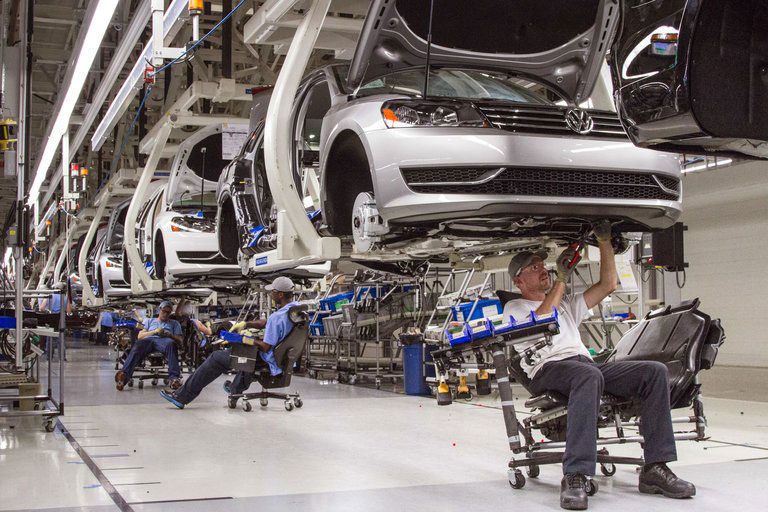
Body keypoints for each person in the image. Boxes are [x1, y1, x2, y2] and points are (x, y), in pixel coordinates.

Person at [504, 220, 695, 511]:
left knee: (654, 372)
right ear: (518, 281)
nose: (542, 269)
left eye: (543, 265)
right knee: (587, 375)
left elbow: (608, 285)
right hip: (549, 370)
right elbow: (543, 319)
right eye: (533, 267)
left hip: (585, 366)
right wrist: (561, 280)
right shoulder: (514, 308)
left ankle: (655, 468)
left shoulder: (565, 303)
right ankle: (575, 475)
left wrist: (604, 242)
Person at [160, 276, 299, 409]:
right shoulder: (295, 311)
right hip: (281, 357)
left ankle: (181, 397)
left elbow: (264, 347)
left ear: (280, 294)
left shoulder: (277, 317)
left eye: (272, 292)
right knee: (243, 351)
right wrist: (245, 324)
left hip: (266, 359)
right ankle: (235, 390)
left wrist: (247, 339)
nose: (270, 294)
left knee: (217, 357)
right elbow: (266, 323)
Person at [115, 301, 184, 391]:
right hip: (149, 339)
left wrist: (169, 335)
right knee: (137, 346)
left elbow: (180, 340)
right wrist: (154, 331)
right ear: (159, 310)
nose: (166, 314)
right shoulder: (149, 320)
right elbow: (140, 336)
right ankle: (123, 377)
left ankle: (174, 379)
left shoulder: (174, 323)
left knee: (171, 344)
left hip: (164, 340)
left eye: (168, 312)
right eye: (164, 311)